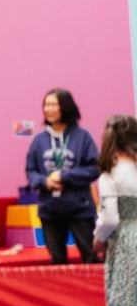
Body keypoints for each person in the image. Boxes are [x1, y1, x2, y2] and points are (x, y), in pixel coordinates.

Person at [25, 88, 99, 264]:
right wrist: (45, 181)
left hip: (80, 209)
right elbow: (30, 171)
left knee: (91, 257)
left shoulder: (83, 137)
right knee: (57, 260)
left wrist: (64, 176)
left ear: (65, 107)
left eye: (53, 104)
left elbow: (94, 169)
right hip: (50, 211)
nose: (47, 109)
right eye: (46, 105)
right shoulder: (39, 140)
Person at [92, 115, 137, 306]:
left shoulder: (111, 173)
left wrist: (98, 240)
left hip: (129, 240)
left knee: (124, 305)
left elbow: (110, 218)